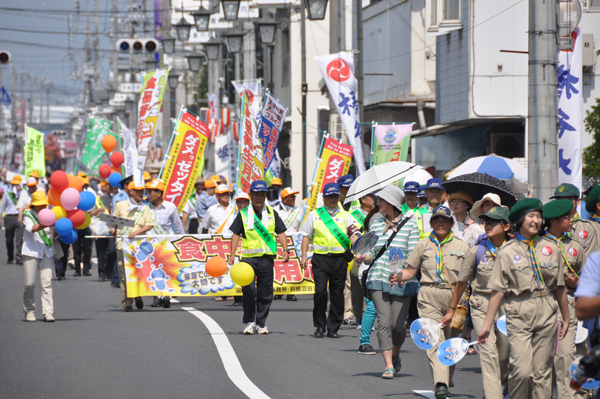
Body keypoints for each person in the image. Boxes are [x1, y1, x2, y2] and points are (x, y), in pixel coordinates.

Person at [477, 198, 570, 399]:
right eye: (531, 216)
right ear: (520, 221)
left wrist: (566, 317)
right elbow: (497, 291)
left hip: (547, 310)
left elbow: (559, 287)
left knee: (542, 374)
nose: (536, 220)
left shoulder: (551, 248)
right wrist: (486, 324)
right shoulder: (507, 252)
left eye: (538, 216)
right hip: (518, 312)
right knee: (521, 371)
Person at [392, 205, 470, 399]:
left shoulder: (463, 247)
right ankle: (440, 383)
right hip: (429, 296)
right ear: (431, 223)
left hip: (457, 298)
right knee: (434, 339)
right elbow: (411, 270)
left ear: (452, 223)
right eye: (436, 220)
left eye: (444, 220)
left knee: (451, 341)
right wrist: (400, 276)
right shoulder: (423, 244)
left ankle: (446, 374)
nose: (440, 224)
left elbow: (470, 277)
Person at [441, 206, 511, 399]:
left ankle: (503, 386)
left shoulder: (516, 250)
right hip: (482, 305)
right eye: (486, 222)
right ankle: (493, 395)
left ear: (506, 226)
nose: (488, 225)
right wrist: (451, 310)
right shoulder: (477, 251)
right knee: (488, 354)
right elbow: (462, 282)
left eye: (493, 222)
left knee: (505, 355)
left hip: (508, 307)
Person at [355, 185, 420, 378]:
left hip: (401, 281)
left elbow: (413, 255)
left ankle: (396, 354)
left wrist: (402, 272)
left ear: (392, 202)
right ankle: (389, 365)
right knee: (383, 321)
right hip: (377, 277)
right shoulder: (375, 224)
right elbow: (372, 253)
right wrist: (363, 257)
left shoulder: (410, 225)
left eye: (381, 200)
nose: (377, 203)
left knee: (397, 327)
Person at [228, 180, 290, 335]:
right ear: (251, 196)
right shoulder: (243, 214)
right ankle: (249, 321)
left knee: (265, 292)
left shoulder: (272, 213)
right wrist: (232, 254)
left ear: (266, 195)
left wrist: (285, 249)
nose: (259, 198)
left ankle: (261, 323)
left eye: (262, 194)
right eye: (256, 194)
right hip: (248, 260)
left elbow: (281, 232)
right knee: (248, 291)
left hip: (266, 259)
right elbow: (235, 235)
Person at [300, 183, 360, 338]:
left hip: (339, 260)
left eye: (336, 196)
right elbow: (306, 236)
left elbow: (354, 236)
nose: (333, 199)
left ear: (339, 197)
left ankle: (333, 327)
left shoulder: (347, 216)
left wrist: (359, 250)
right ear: (324, 197)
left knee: (337, 294)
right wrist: (304, 256)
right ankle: (319, 326)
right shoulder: (314, 214)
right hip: (320, 259)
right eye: (330, 196)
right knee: (320, 292)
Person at [542, 199, 587, 399]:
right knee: (542, 361)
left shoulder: (575, 246)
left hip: (567, 305)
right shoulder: (537, 244)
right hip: (542, 305)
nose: (571, 220)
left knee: (566, 356)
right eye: (567, 217)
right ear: (553, 221)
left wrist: (577, 283)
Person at [112, 181, 154, 312]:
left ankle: (137, 294)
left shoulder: (145, 207)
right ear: (131, 192)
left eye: (143, 191)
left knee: (139, 273)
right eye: (138, 191)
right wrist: (113, 231)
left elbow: (149, 224)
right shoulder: (120, 205)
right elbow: (113, 222)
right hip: (122, 245)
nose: (142, 193)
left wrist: (136, 232)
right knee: (124, 275)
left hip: (139, 246)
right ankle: (127, 302)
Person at [146, 179, 185, 308]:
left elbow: (178, 227)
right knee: (154, 271)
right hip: (150, 245)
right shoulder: (145, 208)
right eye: (148, 191)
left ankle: (167, 295)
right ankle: (157, 296)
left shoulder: (170, 207)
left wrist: (182, 242)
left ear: (159, 193)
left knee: (166, 270)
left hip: (166, 244)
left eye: (151, 191)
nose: (149, 194)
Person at [22, 191, 56, 322]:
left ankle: (48, 312)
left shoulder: (50, 214)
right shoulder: (28, 214)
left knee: (47, 283)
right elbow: (30, 228)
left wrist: (58, 229)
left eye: (44, 204)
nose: (42, 207)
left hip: (46, 251)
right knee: (29, 283)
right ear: (33, 205)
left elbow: (54, 235)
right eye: (39, 205)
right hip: (31, 251)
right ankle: (29, 310)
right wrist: (46, 224)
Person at [551, 183, 599, 261]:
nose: (563, 203)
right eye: (559, 200)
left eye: (567, 199)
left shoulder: (588, 227)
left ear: (578, 201)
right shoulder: (550, 227)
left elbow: (589, 260)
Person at [273, 187, 302, 301]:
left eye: (294, 197)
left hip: (294, 243)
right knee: (278, 265)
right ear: (284, 199)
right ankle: (278, 290)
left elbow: (300, 225)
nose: (294, 199)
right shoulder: (275, 210)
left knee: (292, 266)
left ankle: (291, 291)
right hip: (279, 242)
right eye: (291, 197)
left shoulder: (298, 210)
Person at [89, 180, 116, 281]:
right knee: (100, 252)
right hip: (100, 228)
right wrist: (98, 210)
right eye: (109, 186)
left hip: (110, 228)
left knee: (111, 250)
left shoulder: (113, 198)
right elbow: (90, 214)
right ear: (103, 187)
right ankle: (102, 274)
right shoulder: (97, 199)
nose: (111, 188)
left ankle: (109, 271)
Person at [0, 175, 23, 264]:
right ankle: (10, 257)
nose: (15, 186)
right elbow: (2, 207)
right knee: (9, 239)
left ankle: (18, 257)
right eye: (14, 184)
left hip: (19, 217)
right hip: (9, 217)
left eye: (17, 184)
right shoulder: (7, 194)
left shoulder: (23, 194)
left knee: (19, 239)